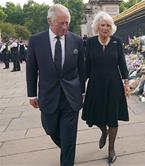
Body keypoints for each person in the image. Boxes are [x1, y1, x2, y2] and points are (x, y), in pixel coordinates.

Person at [26, 4, 85, 166]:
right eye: (61, 23)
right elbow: (31, 69)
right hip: (48, 95)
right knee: (50, 129)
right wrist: (32, 94)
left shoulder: (77, 41)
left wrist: (82, 91)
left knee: (69, 134)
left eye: (67, 23)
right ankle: (67, 147)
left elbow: (82, 68)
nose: (65, 27)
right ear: (49, 21)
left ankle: (67, 158)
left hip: (71, 96)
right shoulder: (36, 41)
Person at [82, 11, 129, 164]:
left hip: (114, 85)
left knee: (113, 117)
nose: (105, 28)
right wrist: (81, 87)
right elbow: (86, 65)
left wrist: (126, 83)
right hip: (95, 85)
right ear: (97, 26)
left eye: (108, 25)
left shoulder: (116, 42)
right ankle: (104, 132)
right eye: (103, 25)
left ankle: (111, 149)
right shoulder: (90, 42)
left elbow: (122, 64)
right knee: (96, 116)